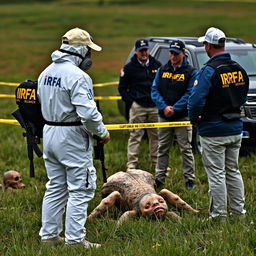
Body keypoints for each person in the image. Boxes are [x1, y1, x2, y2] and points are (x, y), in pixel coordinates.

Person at [37, 27, 110, 248]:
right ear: (80, 50)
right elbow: (87, 113)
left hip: (49, 131)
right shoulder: (79, 76)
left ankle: (49, 237)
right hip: (71, 135)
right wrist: (101, 132)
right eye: (89, 51)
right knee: (81, 188)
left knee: (56, 186)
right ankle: (75, 241)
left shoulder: (46, 72)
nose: (90, 56)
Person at [188, 27, 249, 221]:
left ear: (208, 45)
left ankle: (219, 216)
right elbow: (243, 96)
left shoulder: (209, 71)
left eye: (204, 44)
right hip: (235, 128)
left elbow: (195, 101)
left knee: (216, 175)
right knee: (233, 171)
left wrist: (194, 119)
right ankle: (239, 214)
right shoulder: (239, 69)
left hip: (213, 130)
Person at [151, 40, 197, 190]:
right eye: (171, 53)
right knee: (162, 147)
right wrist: (164, 107)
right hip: (163, 116)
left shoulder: (191, 72)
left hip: (182, 116)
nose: (173, 56)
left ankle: (190, 180)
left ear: (183, 53)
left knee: (186, 148)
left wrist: (175, 108)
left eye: (176, 53)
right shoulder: (162, 69)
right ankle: (159, 178)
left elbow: (190, 93)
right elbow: (154, 90)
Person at [118, 38, 161, 171]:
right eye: (141, 51)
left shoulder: (157, 65)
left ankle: (157, 164)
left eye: (145, 50)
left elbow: (162, 85)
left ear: (148, 50)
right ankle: (131, 164)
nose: (144, 53)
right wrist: (131, 101)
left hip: (154, 107)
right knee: (135, 136)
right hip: (138, 107)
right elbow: (122, 88)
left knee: (156, 136)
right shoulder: (129, 68)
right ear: (136, 52)